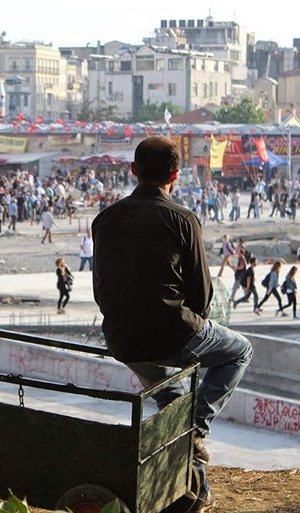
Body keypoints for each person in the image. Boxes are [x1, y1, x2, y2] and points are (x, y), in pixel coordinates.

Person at [92, 136, 253, 512]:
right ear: (176, 176)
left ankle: (194, 493)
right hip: (173, 332)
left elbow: (102, 287)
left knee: (174, 397)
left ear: (134, 171)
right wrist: (191, 324)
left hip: (121, 339)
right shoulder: (182, 219)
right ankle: (197, 431)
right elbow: (202, 295)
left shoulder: (105, 218)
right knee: (239, 351)